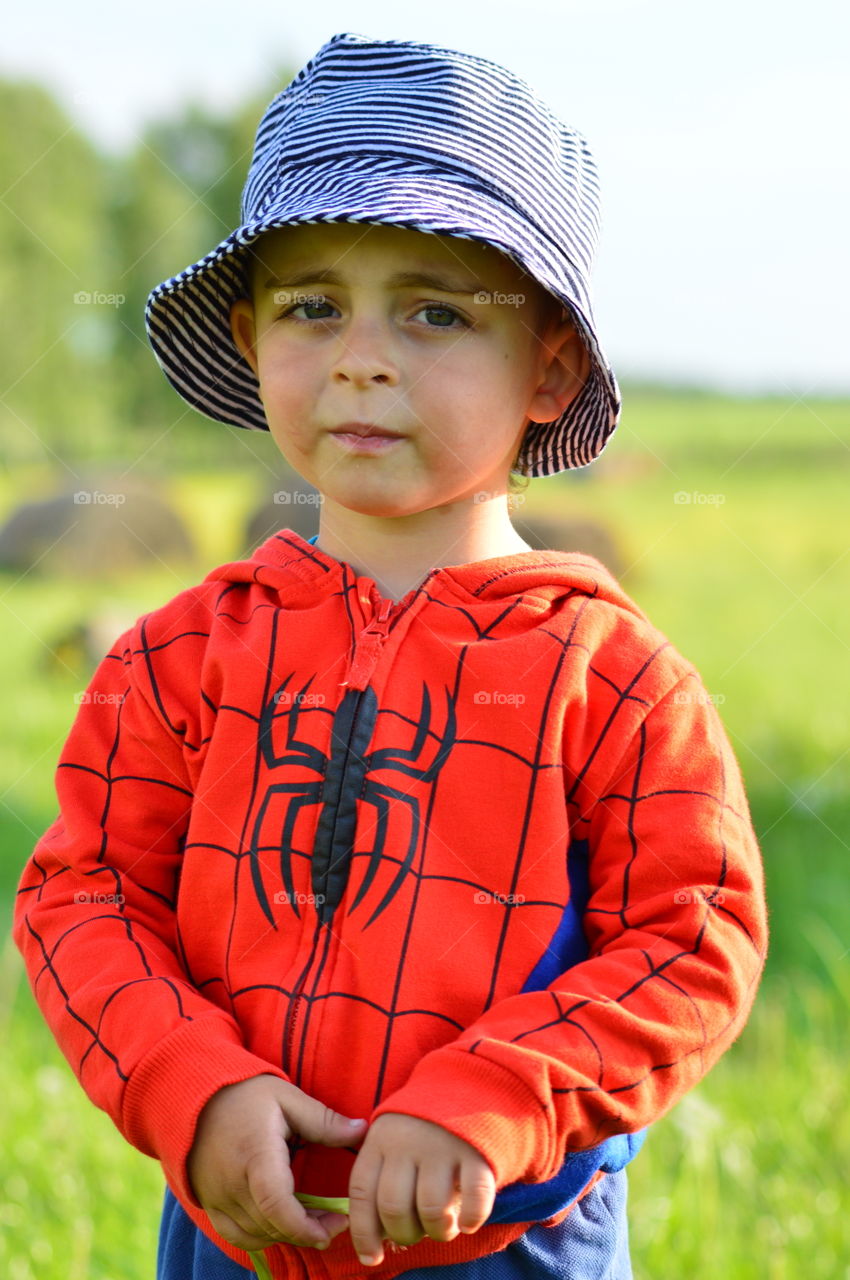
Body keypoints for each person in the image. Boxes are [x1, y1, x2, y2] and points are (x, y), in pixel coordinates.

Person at [13, 31, 769, 1280]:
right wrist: (187, 1081)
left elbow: (690, 937)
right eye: (315, 306)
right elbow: (83, 896)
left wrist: (491, 1090)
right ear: (252, 340)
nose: (361, 355)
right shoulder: (177, 655)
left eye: (434, 309)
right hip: (235, 1231)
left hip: (506, 1235)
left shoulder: (616, 675)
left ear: (550, 364)